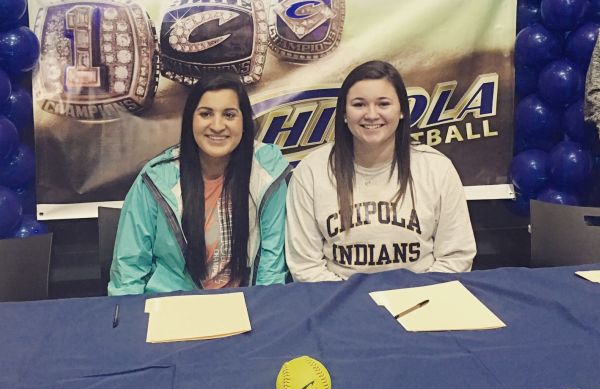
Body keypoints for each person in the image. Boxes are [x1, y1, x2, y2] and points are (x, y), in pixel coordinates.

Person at [285, 60, 476, 282]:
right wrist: (353, 305)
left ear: (402, 110)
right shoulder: (311, 172)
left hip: (422, 301)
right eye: (359, 105)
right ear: (344, 114)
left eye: (383, 104)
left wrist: (417, 299)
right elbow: (306, 266)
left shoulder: (437, 169)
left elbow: (456, 257)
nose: (371, 114)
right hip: (340, 304)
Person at [108, 73, 291, 295]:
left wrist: (265, 313)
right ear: (190, 120)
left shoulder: (267, 172)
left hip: (242, 307)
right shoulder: (156, 179)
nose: (217, 126)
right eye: (206, 114)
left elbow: (271, 267)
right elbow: (129, 269)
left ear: (244, 122)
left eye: (229, 114)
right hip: (173, 306)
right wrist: (131, 320)